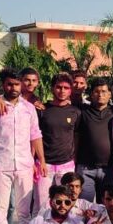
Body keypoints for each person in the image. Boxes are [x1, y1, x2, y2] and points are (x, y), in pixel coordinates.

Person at [0, 69, 45, 224]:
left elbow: (35, 135)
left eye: (16, 84)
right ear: (3, 85)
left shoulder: (29, 108)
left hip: (24, 165)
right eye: (9, 84)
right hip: (1, 164)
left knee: (24, 212)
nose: (13, 88)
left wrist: (42, 161)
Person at [35, 73, 82, 211]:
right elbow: (35, 137)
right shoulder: (42, 110)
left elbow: (76, 135)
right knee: (42, 205)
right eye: (59, 87)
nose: (62, 91)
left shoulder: (75, 112)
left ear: (71, 90)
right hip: (44, 165)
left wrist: (74, 157)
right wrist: (37, 161)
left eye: (66, 88)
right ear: (52, 88)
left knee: (65, 204)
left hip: (66, 164)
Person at [76, 78, 113, 202]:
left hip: (109, 169)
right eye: (96, 91)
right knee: (85, 206)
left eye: (104, 91)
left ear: (110, 94)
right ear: (91, 94)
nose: (100, 94)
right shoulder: (82, 111)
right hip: (85, 169)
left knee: (106, 206)